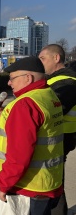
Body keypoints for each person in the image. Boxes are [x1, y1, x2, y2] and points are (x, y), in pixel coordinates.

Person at [0, 57, 64, 214]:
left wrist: (3, 185)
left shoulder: (25, 105)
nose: (9, 83)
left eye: (12, 79)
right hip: (48, 180)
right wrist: (3, 115)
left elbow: (19, 156)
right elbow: (38, 127)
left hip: (28, 187)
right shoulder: (47, 95)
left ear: (28, 78)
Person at [38, 44, 76, 214]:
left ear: (56, 58)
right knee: (53, 181)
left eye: (42, 59)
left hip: (60, 138)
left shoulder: (67, 82)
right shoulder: (56, 79)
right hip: (59, 136)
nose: (40, 63)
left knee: (53, 183)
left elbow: (52, 109)